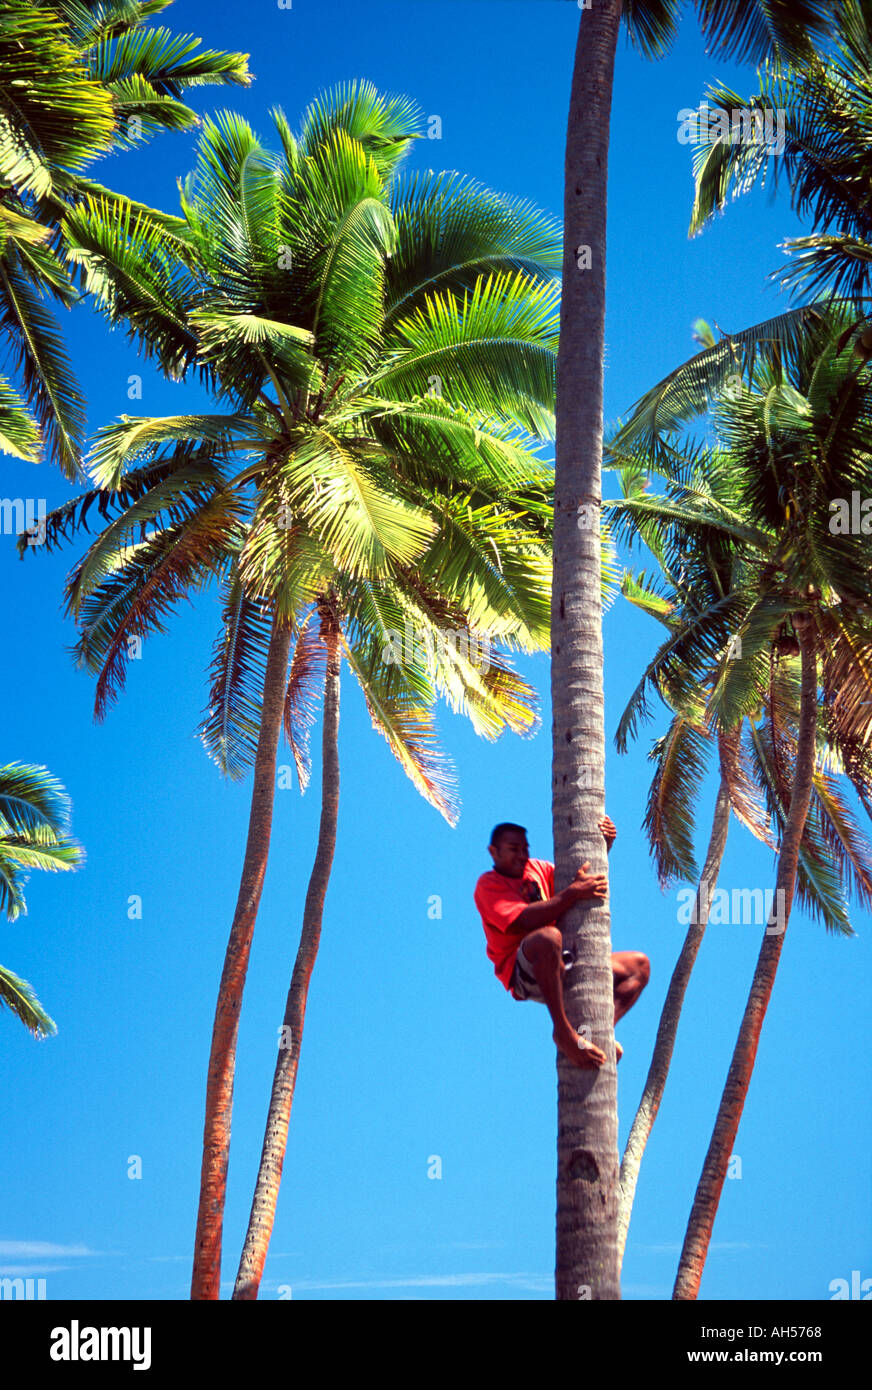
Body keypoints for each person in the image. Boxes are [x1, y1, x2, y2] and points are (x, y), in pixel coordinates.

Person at [473, 817, 649, 1069]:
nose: (522, 856)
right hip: (524, 971)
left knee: (638, 966)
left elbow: (577, 879)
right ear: (494, 852)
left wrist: (603, 844)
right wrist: (573, 893)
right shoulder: (488, 884)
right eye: (514, 849)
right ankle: (563, 1032)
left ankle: (600, 1033)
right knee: (547, 937)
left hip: (563, 960)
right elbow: (522, 920)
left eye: (525, 849)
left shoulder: (539, 869)